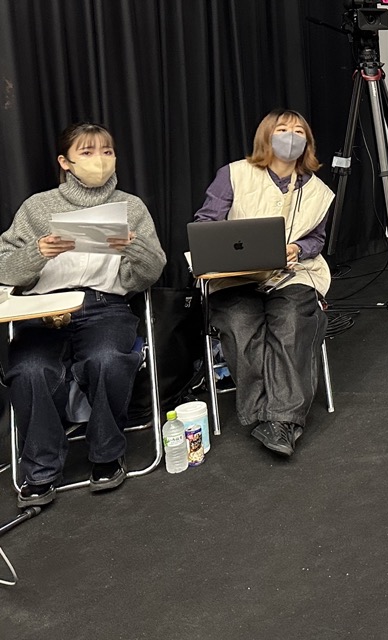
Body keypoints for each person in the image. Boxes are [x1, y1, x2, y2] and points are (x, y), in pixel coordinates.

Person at [0, 122, 166, 505]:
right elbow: (5, 269)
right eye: (87, 152)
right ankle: (41, 470)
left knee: (108, 358)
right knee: (30, 369)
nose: (100, 160)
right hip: (43, 309)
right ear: (65, 162)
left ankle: (107, 454)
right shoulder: (37, 207)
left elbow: (149, 274)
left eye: (107, 152)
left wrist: (133, 247)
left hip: (104, 306)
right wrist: (37, 253)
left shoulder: (131, 207)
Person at [194, 109, 334, 457]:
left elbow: (317, 239)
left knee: (292, 322)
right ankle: (263, 415)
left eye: (299, 131)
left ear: (308, 141)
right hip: (235, 278)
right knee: (241, 324)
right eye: (282, 129)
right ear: (266, 136)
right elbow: (206, 224)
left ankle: (283, 421)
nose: (291, 136)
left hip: (292, 274)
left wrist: (297, 248)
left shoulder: (319, 191)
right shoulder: (234, 174)